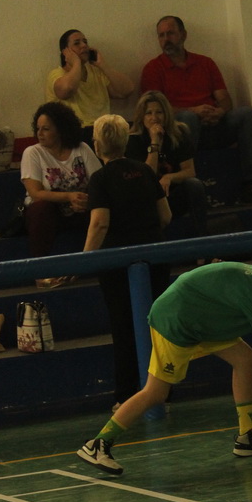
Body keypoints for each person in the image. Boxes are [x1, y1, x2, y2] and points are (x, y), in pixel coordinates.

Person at [77, 240, 252, 477]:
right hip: (176, 321)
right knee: (156, 393)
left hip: (199, 321)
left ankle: (248, 437)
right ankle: (98, 444)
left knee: (244, 357)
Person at [84, 114, 171, 408]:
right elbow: (165, 216)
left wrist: (84, 260)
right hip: (155, 257)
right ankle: (162, 392)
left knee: (123, 328)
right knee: (157, 327)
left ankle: (126, 396)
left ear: (97, 145)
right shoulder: (145, 171)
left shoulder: (100, 179)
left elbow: (100, 223)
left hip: (118, 264)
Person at [140, 16, 252, 203]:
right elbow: (156, 109)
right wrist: (194, 111)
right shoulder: (153, 68)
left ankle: (250, 184)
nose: (165, 39)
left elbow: (224, 99)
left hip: (214, 126)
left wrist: (219, 112)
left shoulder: (205, 63)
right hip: (179, 134)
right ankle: (194, 183)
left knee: (247, 114)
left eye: (170, 33)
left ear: (183, 35)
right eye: (161, 35)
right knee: (188, 119)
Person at [20, 101, 101, 284]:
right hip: (50, 212)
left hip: (80, 208)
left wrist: (85, 200)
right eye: (38, 128)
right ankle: (41, 272)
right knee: (40, 209)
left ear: (61, 129)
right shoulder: (33, 153)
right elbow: (35, 193)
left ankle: (107, 264)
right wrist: (69, 196)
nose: (40, 133)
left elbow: (99, 182)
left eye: (46, 129)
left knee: (103, 207)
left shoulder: (81, 148)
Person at [126, 90, 208, 237]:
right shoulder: (133, 140)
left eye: (159, 112)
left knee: (194, 185)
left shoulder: (179, 133)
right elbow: (147, 176)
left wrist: (169, 177)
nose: (154, 118)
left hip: (172, 194)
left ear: (166, 114)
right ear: (141, 117)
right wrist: (154, 142)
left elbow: (190, 171)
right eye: (148, 113)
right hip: (149, 200)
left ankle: (202, 239)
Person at [46, 29, 134, 141]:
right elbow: (67, 90)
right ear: (65, 52)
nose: (84, 45)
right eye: (77, 43)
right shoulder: (56, 74)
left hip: (103, 133)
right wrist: (76, 63)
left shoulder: (96, 72)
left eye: (85, 42)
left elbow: (126, 90)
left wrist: (103, 65)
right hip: (75, 135)